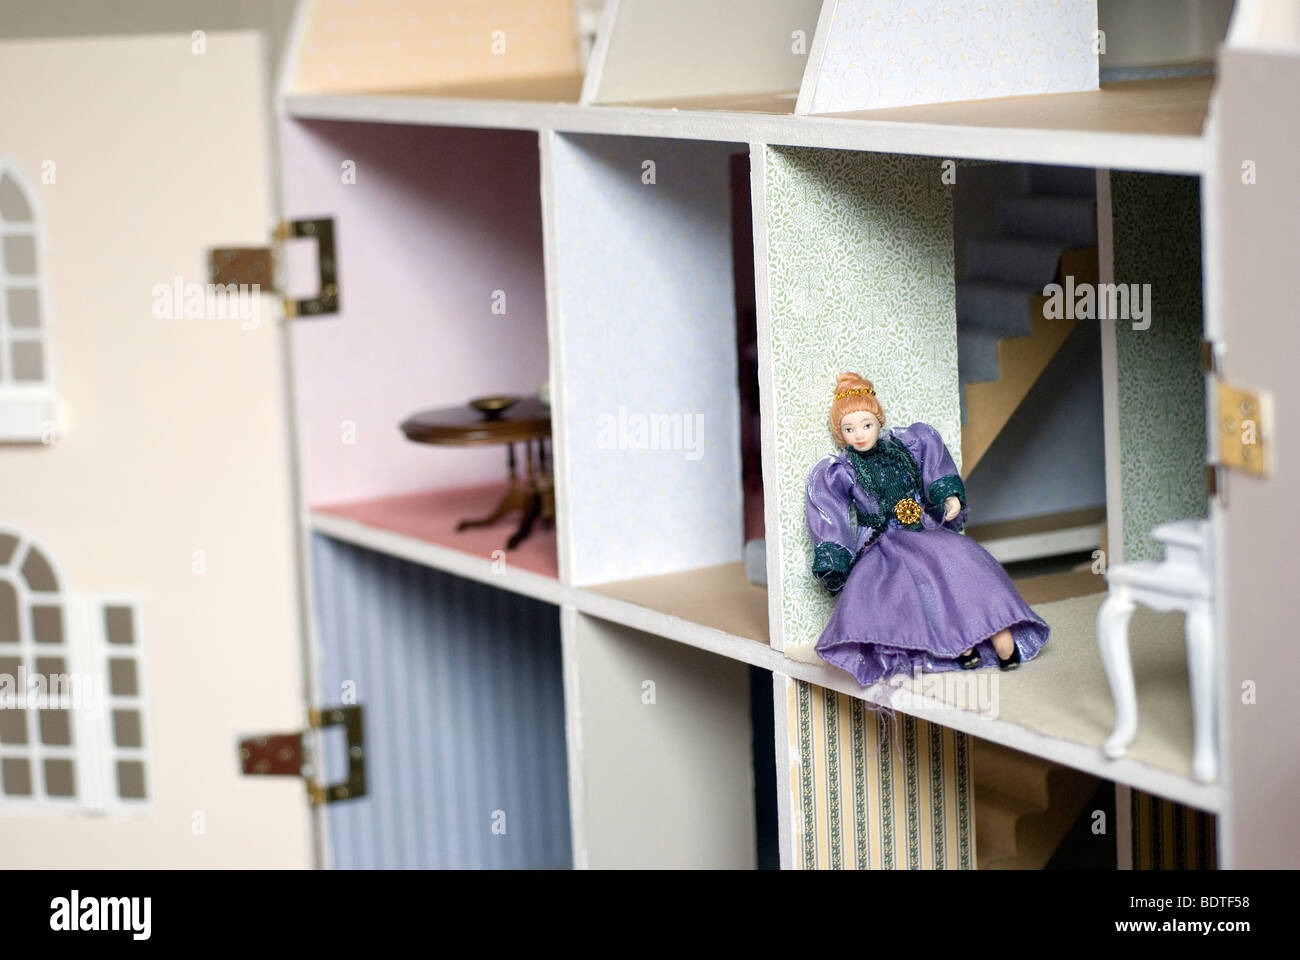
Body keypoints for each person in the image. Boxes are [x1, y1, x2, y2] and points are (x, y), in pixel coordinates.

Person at [805, 371, 1050, 686]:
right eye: (849, 429)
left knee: (961, 560)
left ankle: (995, 635)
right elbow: (830, 510)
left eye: (866, 425)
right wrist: (834, 557)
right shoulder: (841, 470)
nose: (860, 434)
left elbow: (933, 467)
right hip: (882, 542)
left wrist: (947, 496)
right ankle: (958, 647)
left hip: (923, 529)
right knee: (907, 588)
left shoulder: (908, 445)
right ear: (841, 434)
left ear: (878, 422)